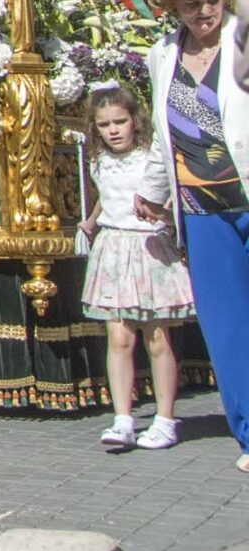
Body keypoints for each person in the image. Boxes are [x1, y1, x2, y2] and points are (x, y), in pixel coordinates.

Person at [142, 0, 249, 472]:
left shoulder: (243, 39)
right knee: (227, 331)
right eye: (191, 5)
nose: (204, 12)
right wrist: (153, 189)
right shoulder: (162, 55)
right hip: (203, 208)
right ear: (171, 7)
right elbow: (163, 134)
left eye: (211, 0)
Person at [79, 85, 192, 452]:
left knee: (156, 337)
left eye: (120, 121)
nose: (113, 130)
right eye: (104, 124)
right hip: (113, 248)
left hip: (148, 248)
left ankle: (165, 419)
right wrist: (91, 221)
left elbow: (170, 200)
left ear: (134, 120)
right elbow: (106, 195)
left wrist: (161, 214)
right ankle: (123, 418)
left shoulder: (150, 159)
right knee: (119, 338)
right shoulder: (98, 160)